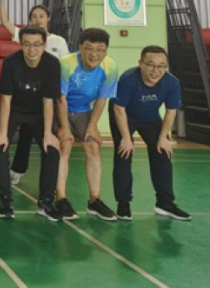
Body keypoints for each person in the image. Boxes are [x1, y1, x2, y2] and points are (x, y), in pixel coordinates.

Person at [0, 0, 69, 186]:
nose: (38, 19)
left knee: (44, 139)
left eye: (41, 16)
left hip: (46, 97)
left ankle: (33, 178)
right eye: (34, 16)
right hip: (23, 95)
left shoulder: (58, 42)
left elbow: (65, 68)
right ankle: (14, 171)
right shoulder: (25, 37)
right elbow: (5, 22)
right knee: (21, 138)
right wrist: (1, 2)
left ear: (48, 18)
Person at [0, 26, 62, 222]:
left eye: (37, 45)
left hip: (39, 112)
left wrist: (48, 133)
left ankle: (46, 202)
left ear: (44, 45)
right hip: (14, 110)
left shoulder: (52, 64)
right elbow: (6, 100)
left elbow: (48, 102)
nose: (32, 50)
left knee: (51, 150)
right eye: (27, 44)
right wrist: (2, 132)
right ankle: (5, 201)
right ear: (20, 44)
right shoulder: (11, 63)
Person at [110, 46, 190, 221]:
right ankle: (123, 203)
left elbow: (171, 111)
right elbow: (119, 110)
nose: (156, 70)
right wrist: (126, 138)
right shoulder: (128, 79)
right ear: (141, 63)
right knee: (124, 153)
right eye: (151, 65)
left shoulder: (171, 82)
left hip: (150, 117)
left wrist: (163, 138)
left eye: (161, 66)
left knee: (162, 153)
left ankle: (165, 203)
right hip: (125, 115)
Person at [55, 28, 120, 221]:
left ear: (106, 51)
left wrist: (92, 126)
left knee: (93, 145)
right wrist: (64, 128)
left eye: (100, 50)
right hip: (60, 108)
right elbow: (60, 98)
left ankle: (94, 200)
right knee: (64, 145)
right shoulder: (65, 63)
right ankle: (61, 198)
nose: (94, 54)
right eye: (89, 48)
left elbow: (102, 98)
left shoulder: (110, 67)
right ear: (80, 48)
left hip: (83, 110)